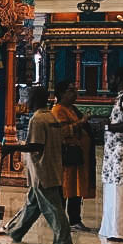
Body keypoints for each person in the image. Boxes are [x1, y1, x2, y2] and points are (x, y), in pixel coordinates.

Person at [0, 85, 74, 244]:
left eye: (28, 98)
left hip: (42, 170)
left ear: (34, 100)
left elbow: (36, 146)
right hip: (51, 167)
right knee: (32, 205)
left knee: (53, 208)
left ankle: (64, 242)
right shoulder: (51, 117)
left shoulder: (38, 119)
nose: (25, 101)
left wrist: (12, 148)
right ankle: (16, 232)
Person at [51, 80, 95, 231]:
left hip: (78, 156)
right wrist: (80, 123)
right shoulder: (58, 110)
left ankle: (75, 219)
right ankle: (62, 221)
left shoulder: (72, 109)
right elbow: (60, 132)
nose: (75, 93)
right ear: (62, 93)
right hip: (67, 156)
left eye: (75, 90)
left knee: (76, 188)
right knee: (64, 188)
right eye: (71, 90)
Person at [101, 66, 123, 241]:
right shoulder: (122, 97)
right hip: (115, 155)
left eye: (111, 78)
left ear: (120, 78)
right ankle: (113, 229)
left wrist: (107, 126)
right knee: (114, 191)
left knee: (122, 193)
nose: (109, 81)